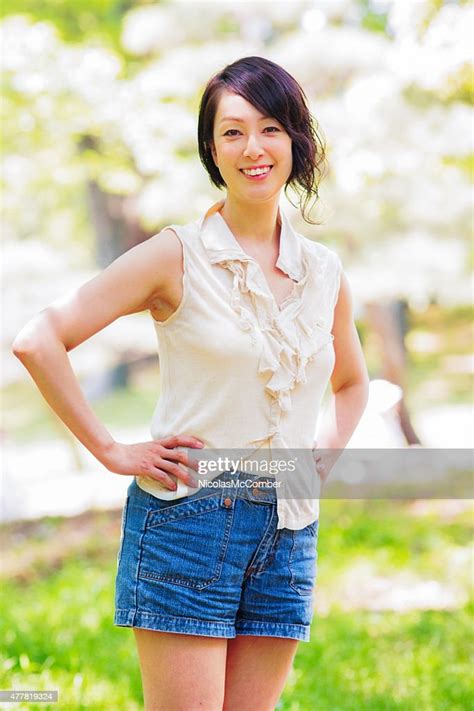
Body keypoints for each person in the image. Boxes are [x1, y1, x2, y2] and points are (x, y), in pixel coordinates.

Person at [12, 56, 369, 711]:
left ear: (295, 138)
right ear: (211, 148)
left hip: (289, 532)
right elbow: (39, 339)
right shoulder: (176, 254)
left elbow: (351, 383)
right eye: (232, 132)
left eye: (269, 128)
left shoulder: (324, 271)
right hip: (188, 520)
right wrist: (113, 451)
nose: (253, 147)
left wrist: (318, 461)